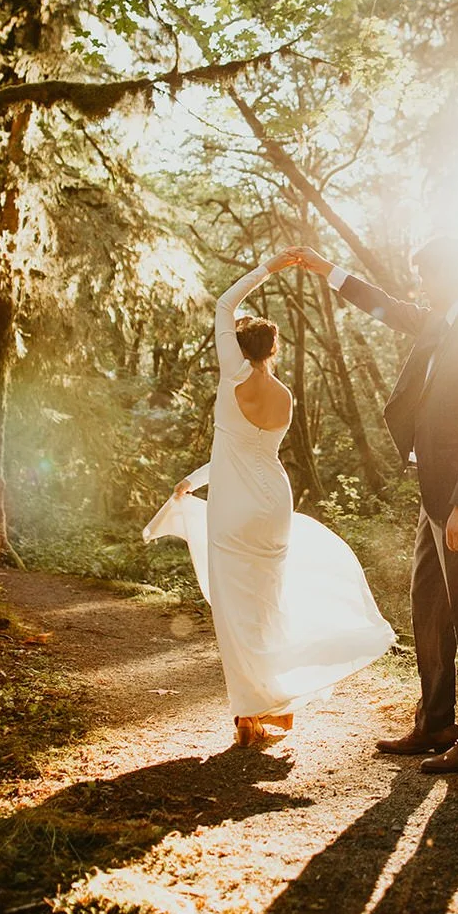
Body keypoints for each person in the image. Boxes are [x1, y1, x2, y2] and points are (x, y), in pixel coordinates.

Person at [144, 253, 395, 746]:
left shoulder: (231, 380)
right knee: (268, 604)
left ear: (235, 349)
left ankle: (250, 714)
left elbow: (223, 304)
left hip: (235, 507)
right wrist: (193, 481)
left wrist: (268, 268)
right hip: (272, 501)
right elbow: (252, 451)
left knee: (236, 612)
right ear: (273, 348)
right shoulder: (283, 395)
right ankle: (275, 703)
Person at [291, 237, 458, 773]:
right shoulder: (441, 322)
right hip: (435, 492)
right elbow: (385, 306)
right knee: (430, 606)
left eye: (428, 275)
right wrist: (328, 270)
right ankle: (436, 722)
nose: (421, 286)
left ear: (456, 272)